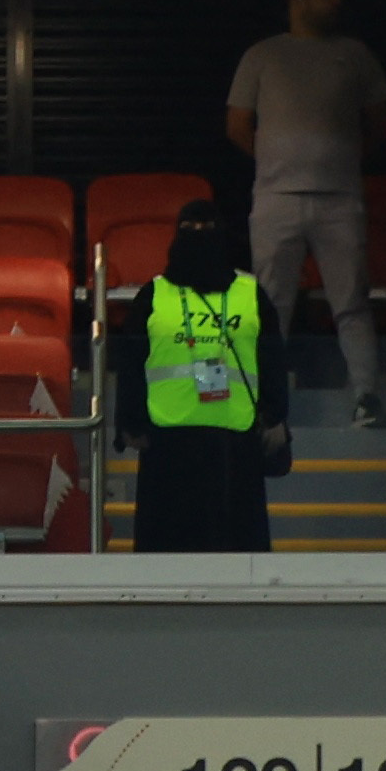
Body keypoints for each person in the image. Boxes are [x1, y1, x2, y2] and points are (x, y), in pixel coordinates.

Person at [228, 0, 386, 427]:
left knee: (351, 302)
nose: (336, 0)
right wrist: (276, 160)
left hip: (339, 199)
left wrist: (341, 160)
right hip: (276, 197)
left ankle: (365, 398)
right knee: (270, 303)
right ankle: (265, 405)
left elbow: (379, 122)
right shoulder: (262, 55)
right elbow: (238, 123)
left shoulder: (355, 54)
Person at [118, 198, 281, 557]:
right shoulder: (153, 295)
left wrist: (275, 416)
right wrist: (129, 422)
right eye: (189, 230)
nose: (198, 238)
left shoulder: (250, 293)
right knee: (165, 559)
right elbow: (131, 362)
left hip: (235, 446)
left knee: (238, 558)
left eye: (207, 230)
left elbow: (272, 359)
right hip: (167, 445)